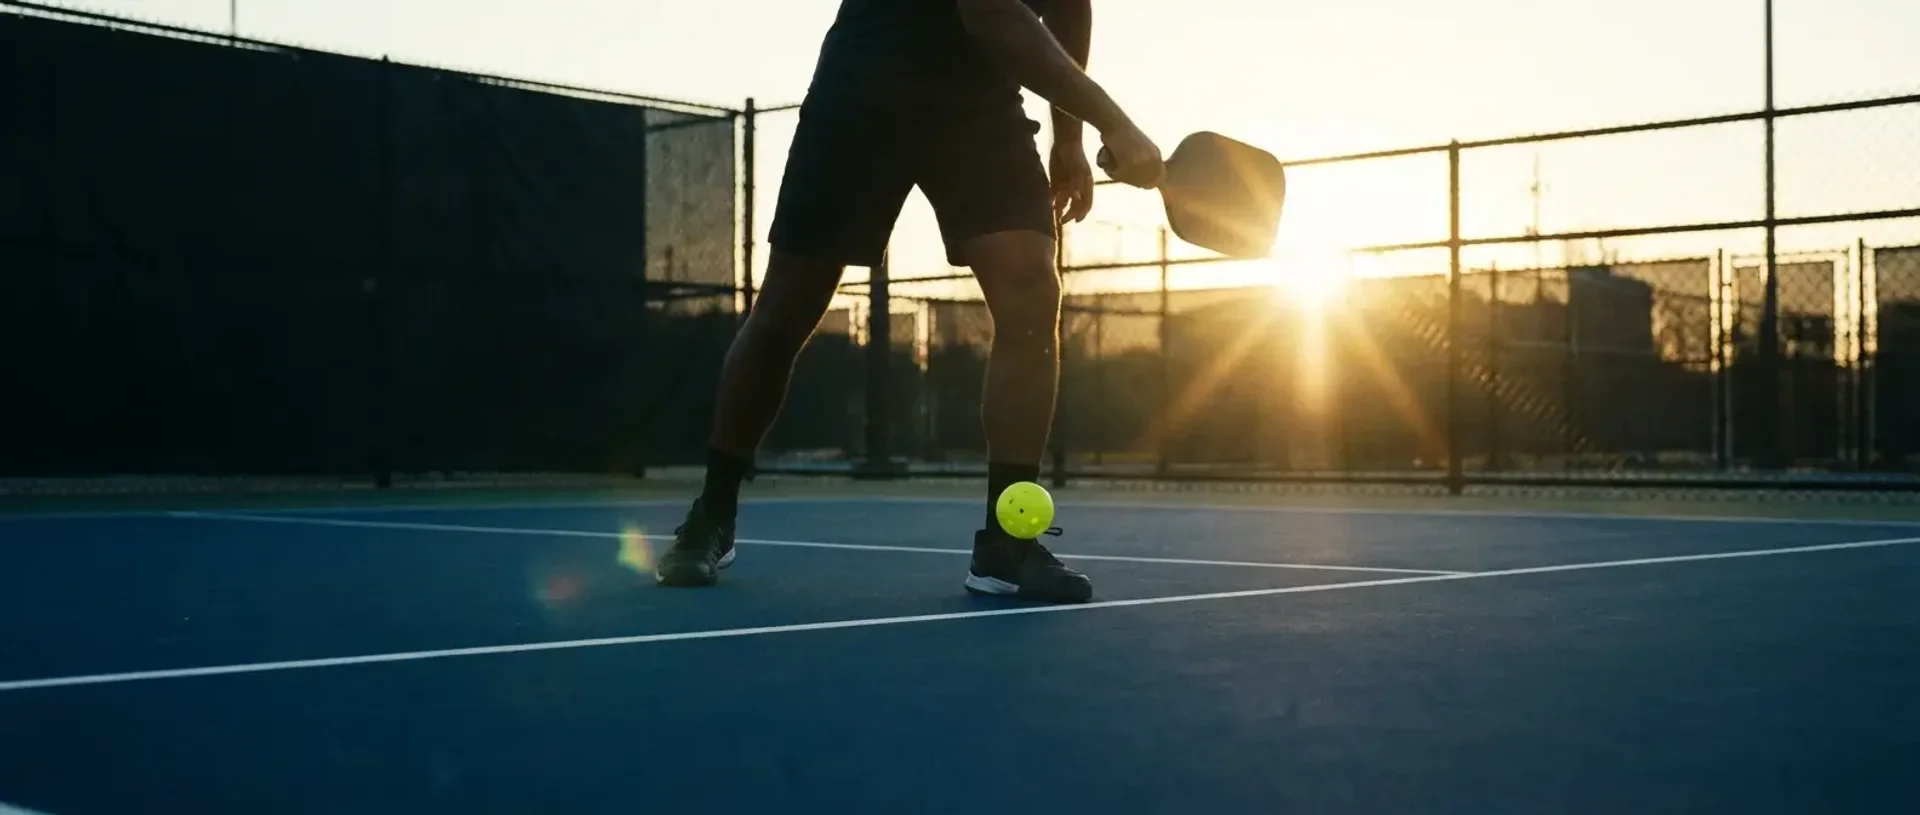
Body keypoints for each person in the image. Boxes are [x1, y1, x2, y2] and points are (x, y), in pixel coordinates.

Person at [654, 0, 1165, 603]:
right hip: (866, 85)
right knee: (789, 305)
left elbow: (1066, 7)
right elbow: (994, 15)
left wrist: (1070, 138)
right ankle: (713, 512)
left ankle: (1007, 541)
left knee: (1031, 287)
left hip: (978, 101)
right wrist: (1115, 121)